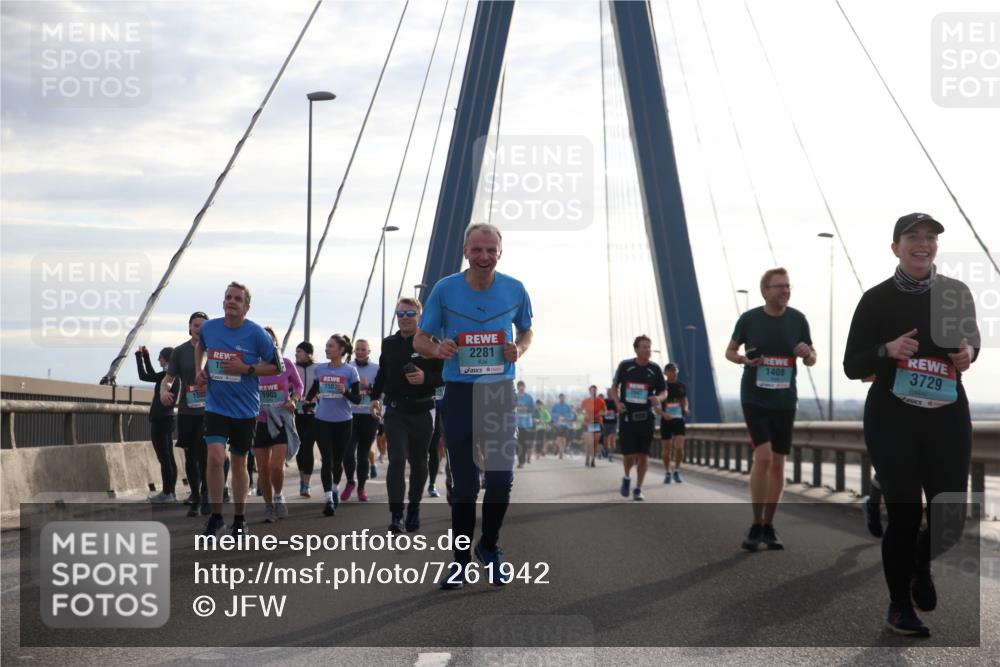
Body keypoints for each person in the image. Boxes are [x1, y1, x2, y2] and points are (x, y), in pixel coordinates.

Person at [844, 212, 980, 637]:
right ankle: (899, 606)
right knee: (905, 515)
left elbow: (972, 342)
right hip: (892, 417)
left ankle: (920, 563)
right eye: (912, 237)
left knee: (950, 519)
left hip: (946, 416)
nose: (923, 244)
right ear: (895, 247)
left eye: (930, 237)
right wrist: (886, 350)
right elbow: (852, 365)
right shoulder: (876, 299)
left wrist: (968, 355)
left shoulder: (955, 293)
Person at [414, 222, 533, 588]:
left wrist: (519, 348)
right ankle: (461, 561)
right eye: (477, 249)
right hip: (460, 393)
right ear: (466, 252)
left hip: (498, 393)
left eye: (491, 250)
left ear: (500, 252)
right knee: (465, 487)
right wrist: (438, 348)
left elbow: (526, 330)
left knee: (500, 480)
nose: (484, 256)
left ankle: (490, 547)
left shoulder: (515, 289)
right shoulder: (445, 289)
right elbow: (420, 339)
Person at [726, 268, 815, 551]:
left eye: (788, 286)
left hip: (784, 401)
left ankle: (768, 525)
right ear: (765, 291)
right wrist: (744, 360)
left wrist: (807, 355)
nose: (785, 291)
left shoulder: (798, 319)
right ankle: (755, 523)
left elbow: (812, 358)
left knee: (778, 462)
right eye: (779, 287)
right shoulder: (749, 319)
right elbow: (729, 351)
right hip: (755, 399)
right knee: (763, 457)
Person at [196, 282, 283, 537]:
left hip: (245, 409)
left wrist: (245, 369)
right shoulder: (210, 328)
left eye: (237, 299)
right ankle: (215, 518)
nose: (231, 301)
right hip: (216, 405)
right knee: (214, 457)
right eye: (228, 297)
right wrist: (199, 370)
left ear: (246, 306)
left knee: (238, 462)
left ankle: (239, 519)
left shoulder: (257, 334)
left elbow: (276, 367)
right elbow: (200, 346)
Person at [371, 298, 444, 533]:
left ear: (419, 316)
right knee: (397, 459)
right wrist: (374, 397)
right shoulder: (389, 344)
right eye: (400, 313)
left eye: (410, 313)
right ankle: (396, 515)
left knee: (419, 461)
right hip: (396, 410)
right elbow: (383, 372)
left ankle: (414, 508)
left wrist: (425, 378)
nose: (404, 317)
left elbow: (443, 377)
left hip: (423, 409)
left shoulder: (432, 343)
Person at [305, 334, 362, 516]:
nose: (327, 349)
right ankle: (328, 498)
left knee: (338, 460)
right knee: (327, 459)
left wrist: (345, 392)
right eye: (326, 346)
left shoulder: (350, 371)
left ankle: (335, 488)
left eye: (331, 346)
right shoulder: (320, 369)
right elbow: (313, 390)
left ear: (341, 350)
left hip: (344, 422)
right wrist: (307, 401)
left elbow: (357, 399)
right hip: (322, 420)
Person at [161, 311, 210, 516]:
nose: (199, 329)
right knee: (191, 457)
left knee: (205, 455)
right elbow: (169, 378)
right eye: (196, 325)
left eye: (203, 326)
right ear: (190, 328)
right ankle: (195, 497)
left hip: (209, 411)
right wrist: (164, 391)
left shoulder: (215, 350)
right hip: (187, 411)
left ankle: (207, 495)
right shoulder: (180, 352)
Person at [609, 335, 666, 501]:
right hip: (627, 417)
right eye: (644, 347)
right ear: (636, 349)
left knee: (643, 455)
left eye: (649, 347)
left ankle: (639, 488)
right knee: (629, 455)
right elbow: (614, 387)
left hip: (646, 418)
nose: (647, 350)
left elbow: (664, 391)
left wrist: (659, 398)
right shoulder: (625, 366)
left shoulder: (655, 369)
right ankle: (627, 477)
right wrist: (617, 403)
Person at [254, 326, 302, 522]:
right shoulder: (251, 366)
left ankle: (278, 495)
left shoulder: (286, 364)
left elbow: (298, 386)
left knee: (276, 466)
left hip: (281, 419)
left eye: (270, 339)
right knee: (263, 469)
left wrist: (294, 400)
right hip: (259, 421)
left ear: (275, 343)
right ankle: (268, 505)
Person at [136, 346, 179, 503]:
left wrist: (138, 357)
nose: (158, 359)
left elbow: (144, 376)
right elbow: (153, 375)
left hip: (161, 420)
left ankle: (166, 493)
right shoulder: (172, 376)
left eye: (160, 357)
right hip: (168, 418)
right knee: (169, 457)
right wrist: (146, 357)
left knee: (164, 458)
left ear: (166, 359)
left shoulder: (168, 376)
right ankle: (171, 492)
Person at [344, 339, 379, 502]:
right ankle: (350, 481)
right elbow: (342, 390)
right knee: (348, 451)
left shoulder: (376, 369)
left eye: (363, 349)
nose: (360, 352)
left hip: (369, 416)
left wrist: (369, 387)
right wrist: (355, 388)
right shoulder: (348, 368)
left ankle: (361, 488)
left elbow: (382, 392)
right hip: (350, 414)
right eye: (357, 349)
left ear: (369, 351)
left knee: (363, 453)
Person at [656, 363, 689, 483]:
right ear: (665, 373)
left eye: (675, 370)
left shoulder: (681, 386)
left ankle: (677, 470)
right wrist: (663, 414)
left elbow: (684, 399)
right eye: (671, 371)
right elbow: (655, 406)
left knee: (679, 448)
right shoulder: (661, 387)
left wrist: (686, 408)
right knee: (666, 450)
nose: (674, 373)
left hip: (679, 419)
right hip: (666, 420)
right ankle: (667, 472)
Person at [293, 342, 318, 497]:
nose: (296, 354)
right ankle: (302, 480)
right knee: (299, 448)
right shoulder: (292, 368)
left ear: (309, 353)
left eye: (299, 351)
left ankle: (307, 485)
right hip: (296, 414)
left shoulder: (317, 369)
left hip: (313, 414)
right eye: (296, 351)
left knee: (308, 447)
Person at [580, 385, 606, 468]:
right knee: (589, 442)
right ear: (589, 392)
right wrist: (585, 414)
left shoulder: (601, 401)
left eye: (595, 390)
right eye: (592, 391)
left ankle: (593, 460)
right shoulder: (585, 401)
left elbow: (605, 412)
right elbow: (582, 411)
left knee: (595, 442)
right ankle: (587, 457)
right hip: (588, 423)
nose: (593, 392)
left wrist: (601, 413)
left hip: (596, 423)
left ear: (596, 391)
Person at [515, 381, 536, 468]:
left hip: (527, 424)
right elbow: (509, 408)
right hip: (516, 424)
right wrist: (517, 408)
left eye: (522, 386)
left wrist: (527, 408)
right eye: (519, 386)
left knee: (524, 443)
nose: (521, 388)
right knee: (518, 443)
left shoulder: (529, 397)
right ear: (517, 387)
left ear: (524, 387)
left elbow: (533, 409)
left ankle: (522, 461)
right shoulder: (514, 397)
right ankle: (521, 460)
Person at [550, 394, 575, 460]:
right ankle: (560, 450)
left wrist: (565, 417)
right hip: (557, 425)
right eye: (561, 398)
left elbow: (571, 415)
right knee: (558, 438)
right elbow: (551, 413)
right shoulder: (556, 405)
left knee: (563, 439)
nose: (562, 399)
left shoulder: (567, 406)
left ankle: (561, 451)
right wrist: (558, 416)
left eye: (563, 398)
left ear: (564, 398)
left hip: (565, 425)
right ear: (559, 398)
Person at [601, 388, 617, 462]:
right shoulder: (604, 401)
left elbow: (619, 410)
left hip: (613, 423)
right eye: (608, 392)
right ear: (607, 393)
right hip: (605, 423)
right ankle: (605, 449)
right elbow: (601, 411)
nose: (609, 394)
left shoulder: (616, 401)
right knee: (605, 441)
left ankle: (611, 455)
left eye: (611, 392)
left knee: (613, 440)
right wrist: (605, 412)